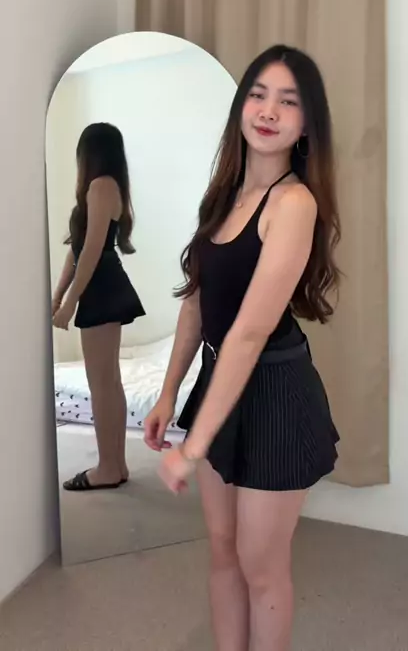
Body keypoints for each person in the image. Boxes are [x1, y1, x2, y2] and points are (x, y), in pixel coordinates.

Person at [144, 44, 341, 651]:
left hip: (274, 390)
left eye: (288, 101)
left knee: (261, 566)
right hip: (219, 378)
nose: (268, 110)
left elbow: (251, 333)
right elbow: (196, 305)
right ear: (241, 107)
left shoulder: (295, 203)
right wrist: (169, 393)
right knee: (223, 551)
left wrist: (193, 446)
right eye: (258, 94)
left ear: (306, 125)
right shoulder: (224, 196)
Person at [53, 122, 145, 492]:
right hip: (102, 282)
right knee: (108, 381)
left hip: (101, 285)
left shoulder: (101, 186)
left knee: (102, 383)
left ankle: (108, 467)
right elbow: (76, 249)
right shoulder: (104, 186)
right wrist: (58, 296)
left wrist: (69, 302)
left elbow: (90, 250)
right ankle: (115, 465)